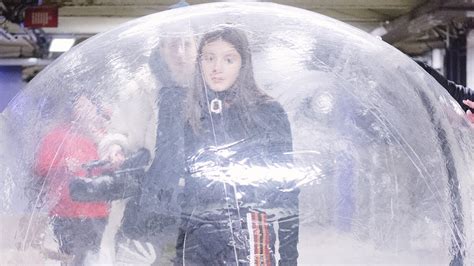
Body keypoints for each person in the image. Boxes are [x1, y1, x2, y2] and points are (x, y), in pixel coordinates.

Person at [175, 26, 299, 265]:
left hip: (251, 231)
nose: (216, 68)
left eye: (228, 59)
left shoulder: (267, 111)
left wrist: (289, 258)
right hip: (200, 238)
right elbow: (189, 192)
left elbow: (287, 189)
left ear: (243, 64)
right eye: (209, 58)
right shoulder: (193, 115)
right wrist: (181, 254)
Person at [34, 94, 114, 265]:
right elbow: (42, 167)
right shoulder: (57, 136)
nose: (87, 111)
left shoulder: (102, 136)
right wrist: (63, 165)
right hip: (67, 213)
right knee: (71, 258)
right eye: (81, 106)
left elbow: (110, 169)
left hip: (97, 212)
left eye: (90, 106)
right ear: (72, 110)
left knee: (94, 257)